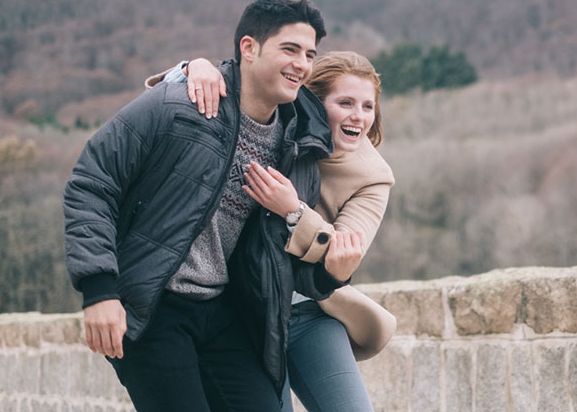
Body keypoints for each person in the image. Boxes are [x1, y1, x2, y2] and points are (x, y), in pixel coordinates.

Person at [63, 0, 362, 412]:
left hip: (225, 313)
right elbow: (91, 182)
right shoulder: (180, 103)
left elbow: (277, 262)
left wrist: (331, 275)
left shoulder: (299, 144)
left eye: (310, 54)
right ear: (248, 48)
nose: (302, 64)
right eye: (289, 49)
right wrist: (99, 290)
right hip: (153, 307)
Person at [150, 50, 395, 412]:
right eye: (345, 103)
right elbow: (176, 95)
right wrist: (192, 67)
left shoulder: (374, 176)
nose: (357, 116)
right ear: (312, 100)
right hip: (246, 311)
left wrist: (293, 209)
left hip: (310, 311)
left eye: (367, 106)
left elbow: (341, 252)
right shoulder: (273, 122)